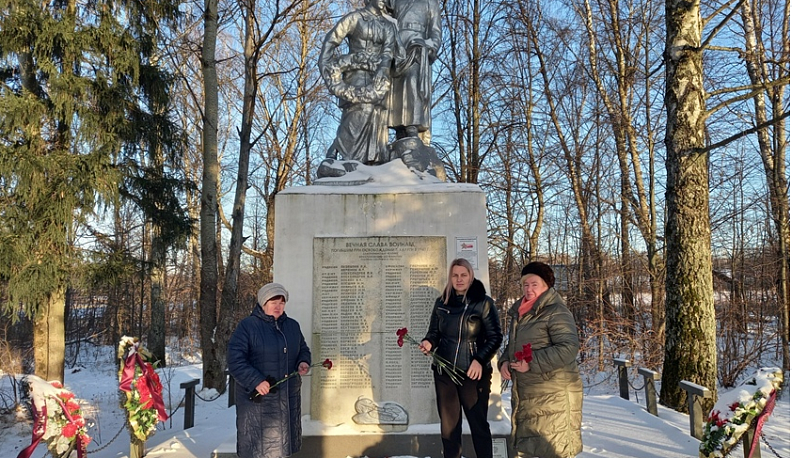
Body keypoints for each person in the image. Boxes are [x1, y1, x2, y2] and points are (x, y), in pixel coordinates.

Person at [419, 258, 503, 458]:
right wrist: (428, 342)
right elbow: (434, 332)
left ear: (470, 276)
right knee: (449, 427)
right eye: (455, 275)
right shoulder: (442, 302)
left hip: (473, 373)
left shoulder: (483, 303)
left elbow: (495, 337)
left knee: (478, 424)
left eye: (463, 275)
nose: (459, 279)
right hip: (445, 372)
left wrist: (479, 360)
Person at [498, 262, 583, 458]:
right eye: (525, 284)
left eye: (534, 284)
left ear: (546, 285)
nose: (529, 289)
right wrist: (504, 362)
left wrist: (531, 363)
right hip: (529, 394)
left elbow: (568, 347)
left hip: (553, 395)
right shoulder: (521, 312)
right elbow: (515, 344)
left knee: (553, 449)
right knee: (528, 448)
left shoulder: (556, 311)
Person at [227, 283, 311, 458]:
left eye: (282, 302)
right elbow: (235, 359)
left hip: (288, 398)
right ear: (263, 303)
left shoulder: (292, 326)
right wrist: (255, 381)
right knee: (259, 449)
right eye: (274, 302)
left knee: (284, 447)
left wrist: (302, 362)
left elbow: (303, 349)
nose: (278, 307)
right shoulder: (248, 326)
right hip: (259, 401)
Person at [318, 0, 397, 168]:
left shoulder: (388, 25)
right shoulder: (355, 18)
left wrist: (384, 68)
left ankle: (369, 163)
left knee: (376, 119)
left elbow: (388, 51)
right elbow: (331, 40)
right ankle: (347, 158)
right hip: (355, 78)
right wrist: (328, 69)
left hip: (378, 81)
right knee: (358, 113)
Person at [387, 0, 441, 145]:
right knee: (394, 89)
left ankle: (412, 125)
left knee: (413, 82)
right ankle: (399, 127)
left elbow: (435, 31)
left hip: (417, 46)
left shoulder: (430, 3)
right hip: (397, 45)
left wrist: (431, 47)